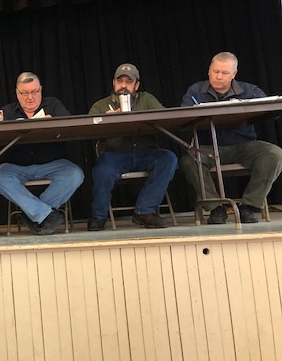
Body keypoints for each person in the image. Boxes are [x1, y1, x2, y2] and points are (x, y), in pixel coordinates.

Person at [180, 51, 282, 224]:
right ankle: (215, 208)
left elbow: (273, 113)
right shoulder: (195, 91)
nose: (218, 77)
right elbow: (183, 119)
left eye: (225, 73)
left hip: (244, 145)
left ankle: (250, 205)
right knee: (189, 160)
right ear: (208, 71)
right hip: (208, 147)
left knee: (274, 153)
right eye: (215, 71)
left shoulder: (250, 90)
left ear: (234, 74)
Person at [0, 72, 84, 235]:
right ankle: (45, 214)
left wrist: (53, 124)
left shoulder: (53, 105)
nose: (30, 97)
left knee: (75, 174)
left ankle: (33, 213)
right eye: (24, 93)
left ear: (40, 90)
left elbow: (70, 128)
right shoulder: (7, 112)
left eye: (34, 92)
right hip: (18, 166)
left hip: (52, 164)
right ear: (17, 93)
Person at [87, 63, 178, 231]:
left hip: (146, 153)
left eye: (128, 82)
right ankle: (99, 216)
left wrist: (146, 119)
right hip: (115, 154)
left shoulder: (147, 99)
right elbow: (88, 128)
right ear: (113, 82)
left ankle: (145, 211)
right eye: (119, 81)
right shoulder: (101, 105)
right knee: (102, 171)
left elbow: (166, 118)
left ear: (137, 85)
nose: (123, 85)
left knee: (168, 158)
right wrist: (105, 120)